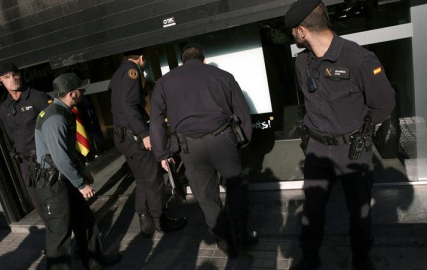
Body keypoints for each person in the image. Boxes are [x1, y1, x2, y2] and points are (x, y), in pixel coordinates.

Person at [284, 1, 395, 269]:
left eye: (292, 32)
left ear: (302, 31)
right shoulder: (302, 62)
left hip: (352, 150)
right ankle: (310, 258)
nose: (292, 37)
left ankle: (360, 259)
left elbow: (384, 104)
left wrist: (361, 130)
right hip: (317, 149)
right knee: (313, 208)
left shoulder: (359, 59)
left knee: (359, 210)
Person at [149, 44, 258, 258]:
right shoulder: (223, 75)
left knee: (206, 196)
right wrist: (242, 141)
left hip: (189, 146)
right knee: (235, 188)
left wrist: (162, 154)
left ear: (182, 62)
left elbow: (156, 121)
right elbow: (243, 112)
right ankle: (242, 234)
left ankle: (223, 238)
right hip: (222, 139)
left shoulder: (165, 82)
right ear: (204, 59)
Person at [34, 73, 120, 270]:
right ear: (72, 94)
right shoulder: (55, 117)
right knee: (60, 233)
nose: (83, 91)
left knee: (85, 220)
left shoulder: (63, 111)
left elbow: (68, 150)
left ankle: (95, 261)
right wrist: (81, 184)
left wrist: (81, 171)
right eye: (81, 89)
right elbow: (60, 158)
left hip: (64, 177)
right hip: (53, 183)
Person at [109, 48, 186, 237]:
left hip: (124, 137)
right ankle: (161, 220)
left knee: (143, 180)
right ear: (141, 57)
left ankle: (145, 221)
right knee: (153, 180)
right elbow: (129, 105)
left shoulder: (118, 73)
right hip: (134, 136)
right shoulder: (131, 73)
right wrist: (144, 133)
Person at [0, 61, 50, 225]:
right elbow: (11, 136)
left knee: (57, 201)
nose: (13, 79)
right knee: (40, 206)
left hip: (46, 159)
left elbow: (56, 127)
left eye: (15, 75)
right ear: (0, 81)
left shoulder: (38, 97)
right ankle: (58, 242)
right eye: (7, 77)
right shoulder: (4, 109)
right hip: (26, 163)